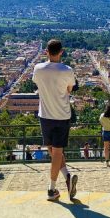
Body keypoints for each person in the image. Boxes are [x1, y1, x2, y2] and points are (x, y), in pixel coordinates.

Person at [32, 38, 78, 201]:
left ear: (46, 52)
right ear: (61, 52)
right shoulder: (67, 70)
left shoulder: (38, 69)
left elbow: (37, 84)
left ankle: (56, 186)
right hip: (62, 115)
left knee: (53, 151)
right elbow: (69, 89)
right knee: (56, 152)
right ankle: (62, 180)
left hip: (45, 115)